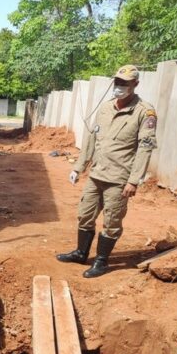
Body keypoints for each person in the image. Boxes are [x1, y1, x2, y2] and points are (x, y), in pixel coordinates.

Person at [57, 64, 158, 278]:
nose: (119, 86)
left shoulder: (144, 112)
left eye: (125, 83)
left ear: (135, 84)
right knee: (85, 215)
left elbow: (145, 148)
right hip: (96, 174)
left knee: (112, 222)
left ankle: (101, 262)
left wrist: (134, 180)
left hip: (119, 179)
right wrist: (79, 167)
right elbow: (92, 138)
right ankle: (81, 253)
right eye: (117, 81)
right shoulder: (105, 108)